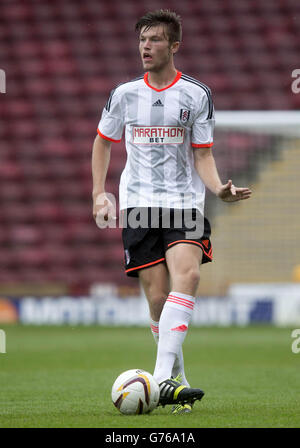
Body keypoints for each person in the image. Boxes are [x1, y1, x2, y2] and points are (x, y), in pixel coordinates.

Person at [92, 10, 252, 414]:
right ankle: (177, 380)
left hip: (184, 203)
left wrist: (218, 188)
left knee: (191, 274)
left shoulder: (197, 94)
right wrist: (99, 193)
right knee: (159, 300)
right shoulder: (124, 94)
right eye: (142, 39)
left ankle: (161, 378)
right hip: (139, 205)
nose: (146, 46)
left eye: (155, 40)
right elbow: (102, 143)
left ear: (174, 45)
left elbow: (203, 155)